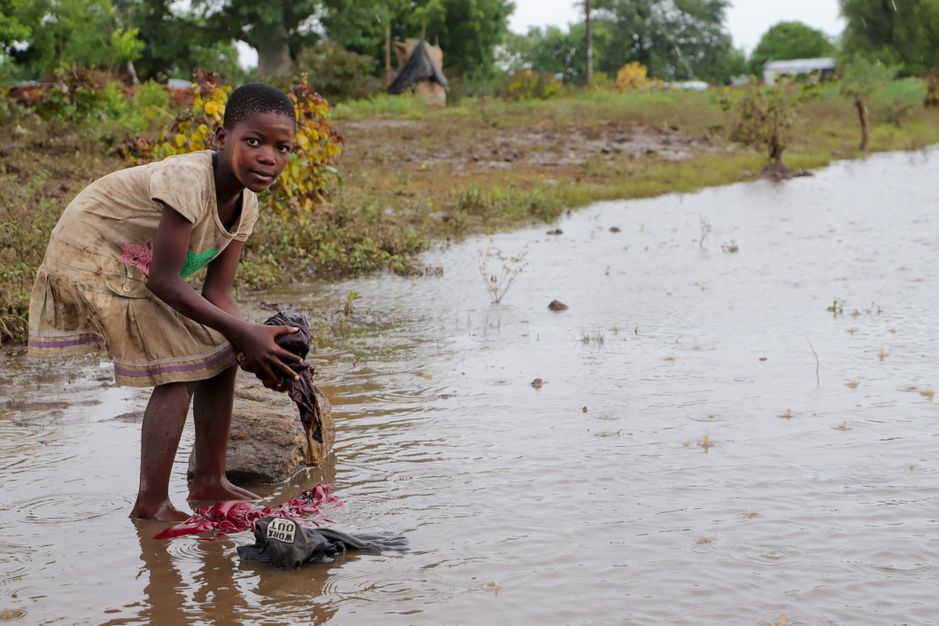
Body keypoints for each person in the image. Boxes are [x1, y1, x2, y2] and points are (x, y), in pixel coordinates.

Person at [28, 83, 304, 521]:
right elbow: (164, 281)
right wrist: (245, 333)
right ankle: (151, 503)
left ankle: (209, 480)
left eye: (282, 147)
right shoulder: (188, 180)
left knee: (221, 348)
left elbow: (218, 294)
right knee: (181, 363)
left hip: (135, 263)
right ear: (222, 138)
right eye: (254, 141)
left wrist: (249, 342)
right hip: (90, 252)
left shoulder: (246, 204)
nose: (269, 157)